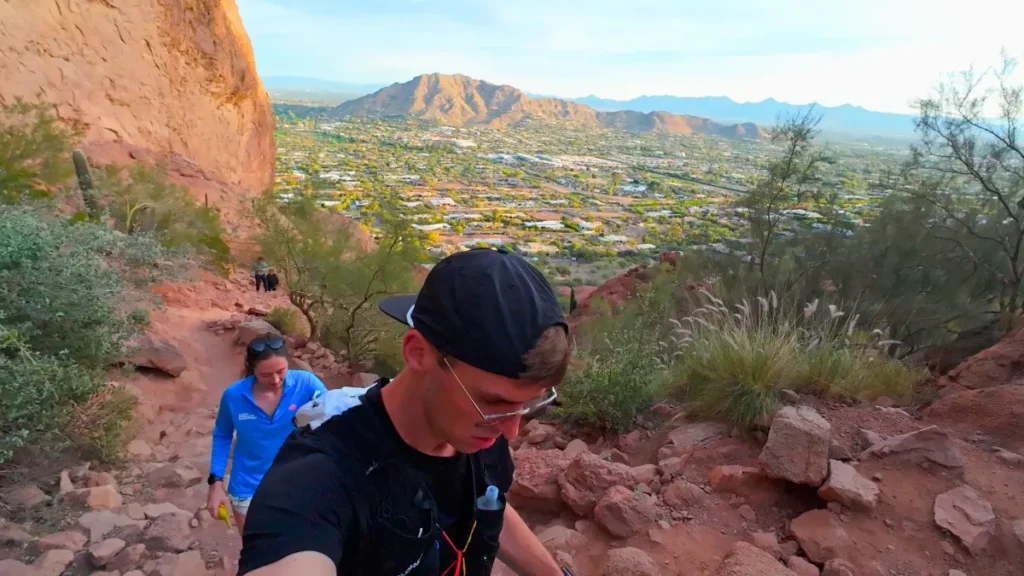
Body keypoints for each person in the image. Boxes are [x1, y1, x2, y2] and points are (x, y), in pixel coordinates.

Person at [238, 248, 575, 576]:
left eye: (530, 405)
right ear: (417, 353)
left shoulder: (482, 435)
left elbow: (487, 502)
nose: (511, 431)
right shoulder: (318, 480)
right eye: (494, 403)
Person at [207, 333, 328, 534]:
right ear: (252, 368)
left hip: (299, 481)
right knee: (256, 553)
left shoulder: (305, 383)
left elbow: (333, 413)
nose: (275, 380)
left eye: (282, 371)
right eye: (265, 375)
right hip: (248, 488)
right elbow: (222, 435)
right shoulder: (234, 396)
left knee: (297, 550)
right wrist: (215, 482)